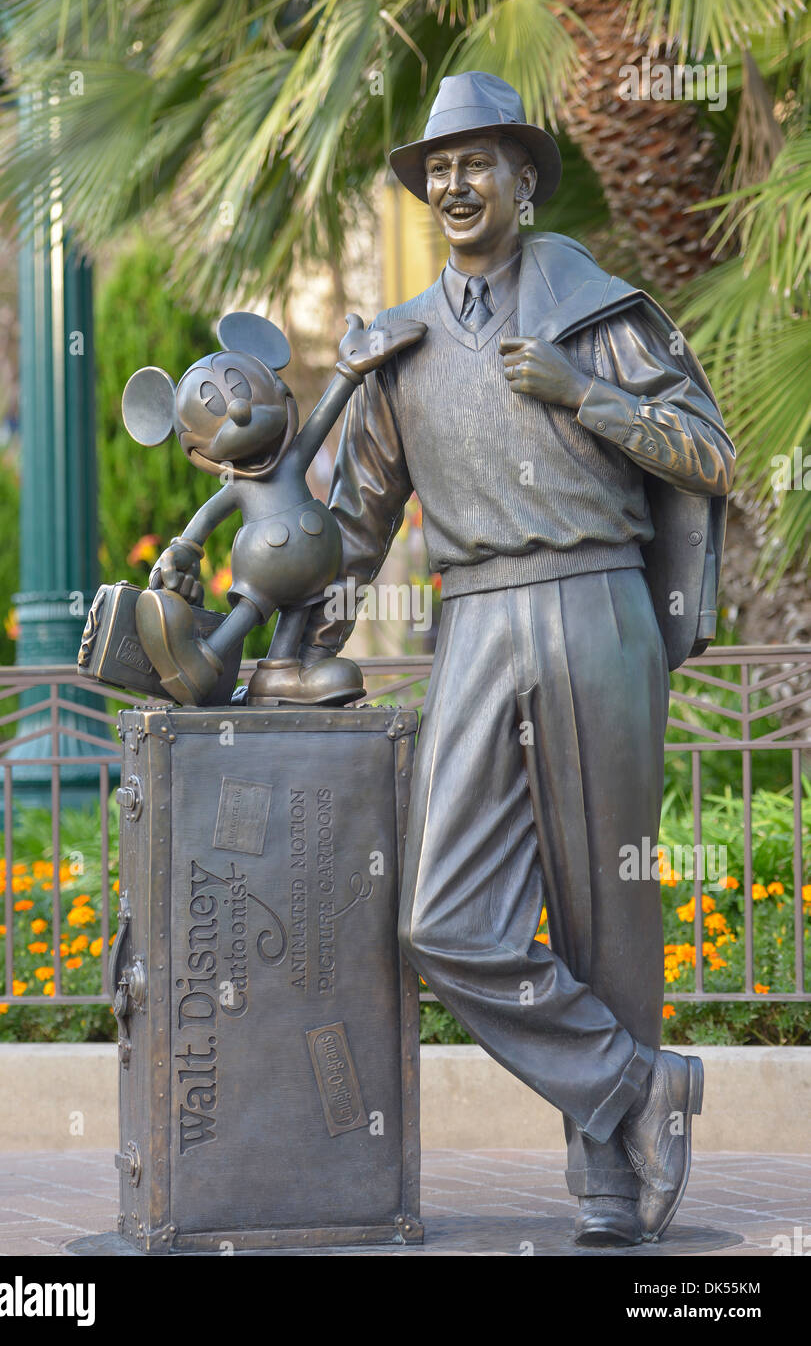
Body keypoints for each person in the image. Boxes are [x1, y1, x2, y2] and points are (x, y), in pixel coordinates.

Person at [297, 71, 735, 1247]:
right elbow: (353, 528)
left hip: (598, 607)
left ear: (524, 182)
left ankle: (608, 1181)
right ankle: (637, 1087)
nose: (452, 181)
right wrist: (284, 601)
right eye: (437, 167)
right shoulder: (399, 346)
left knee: (607, 911)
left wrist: (583, 389)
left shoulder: (598, 308)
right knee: (441, 917)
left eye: (476, 161)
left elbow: (707, 453)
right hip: (478, 620)